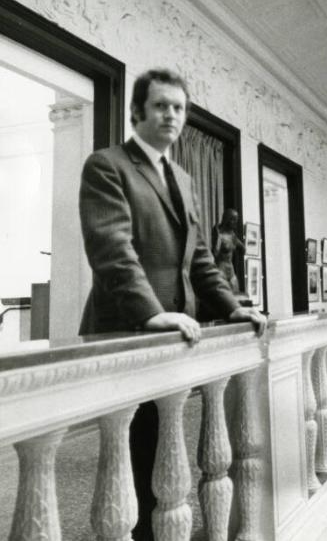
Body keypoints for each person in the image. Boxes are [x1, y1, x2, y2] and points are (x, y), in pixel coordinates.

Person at [78, 68, 266, 541]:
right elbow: (111, 249)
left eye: (179, 108)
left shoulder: (182, 177)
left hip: (177, 332)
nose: (171, 115)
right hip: (126, 327)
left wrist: (231, 306)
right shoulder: (107, 165)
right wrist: (149, 311)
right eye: (161, 105)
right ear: (137, 111)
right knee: (129, 450)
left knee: (164, 443)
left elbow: (200, 258)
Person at [211, 208, 245, 294]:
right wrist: (217, 238)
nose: (235, 223)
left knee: (235, 296)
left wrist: (241, 246)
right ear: (227, 219)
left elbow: (243, 249)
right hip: (220, 269)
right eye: (233, 220)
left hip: (231, 270)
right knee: (223, 298)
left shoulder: (232, 235)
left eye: (236, 220)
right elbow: (214, 253)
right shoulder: (219, 234)